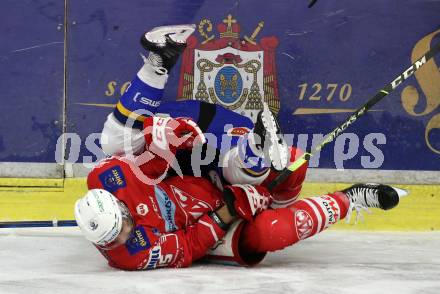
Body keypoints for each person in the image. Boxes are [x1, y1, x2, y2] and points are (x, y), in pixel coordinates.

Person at [74, 112, 408, 270]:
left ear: (116, 205)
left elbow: (152, 162)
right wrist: (228, 212)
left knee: (293, 163)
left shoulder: (107, 176)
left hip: (202, 184)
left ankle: (256, 154)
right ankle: (352, 197)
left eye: (120, 228)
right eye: (111, 241)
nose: (123, 237)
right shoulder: (131, 255)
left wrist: (165, 135)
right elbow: (189, 245)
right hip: (212, 230)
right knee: (271, 231)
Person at [98, 24, 301, 207]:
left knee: (115, 145)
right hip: (187, 144)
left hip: (205, 124)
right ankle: (255, 150)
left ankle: (256, 148)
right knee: (116, 146)